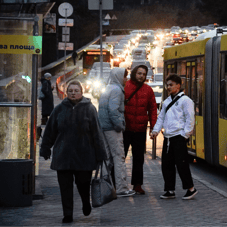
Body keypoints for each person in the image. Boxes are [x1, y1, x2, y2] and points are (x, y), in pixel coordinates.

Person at [40, 80, 107, 223]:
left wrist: (101, 153)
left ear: (81, 93)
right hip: (63, 155)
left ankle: (85, 201)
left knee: (83, 183)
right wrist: (45, 148)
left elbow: (97, 133)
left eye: (76, 91)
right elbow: (50, 131)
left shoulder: (89, 109)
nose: (73, 93)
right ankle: (68, 214)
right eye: (70, 91)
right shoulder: (59, 109)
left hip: (85, 155)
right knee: (65, 187)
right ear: (66, 92)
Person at [150, 74, 198, 200]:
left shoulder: (185, 101)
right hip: (168, 138)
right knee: (167, 165)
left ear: (178, 85)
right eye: (167, 85)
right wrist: (155, 131)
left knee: (182, 164)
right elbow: (161, 117)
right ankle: (169, 190)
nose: (168, 87)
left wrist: (185, 135)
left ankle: (190, 189)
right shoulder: (166, 102)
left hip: (178, 137)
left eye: (171, 85)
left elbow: (190, 118)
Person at [98, 67, 136, 197]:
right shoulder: (117, 90)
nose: (126, 79)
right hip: (113, 129)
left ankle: (104, 187)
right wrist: (119, 125)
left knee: (107, 159)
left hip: (104, 128)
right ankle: (122, 187)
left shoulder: (108, 88)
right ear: (119, 77)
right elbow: (113, 110)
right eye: (125, 76)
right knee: (119, 158)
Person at [123, 65, 158, 195]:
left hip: (140, 130)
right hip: (125, 128)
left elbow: (153, 109)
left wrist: (153, 127)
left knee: (138, 159)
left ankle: (137, 185)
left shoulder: (148, 90)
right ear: (134, 73)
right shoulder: (125, 86)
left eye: (143, 74)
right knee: (121, 157)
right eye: (139, 73)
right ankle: (116, 184)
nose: (141, 76)